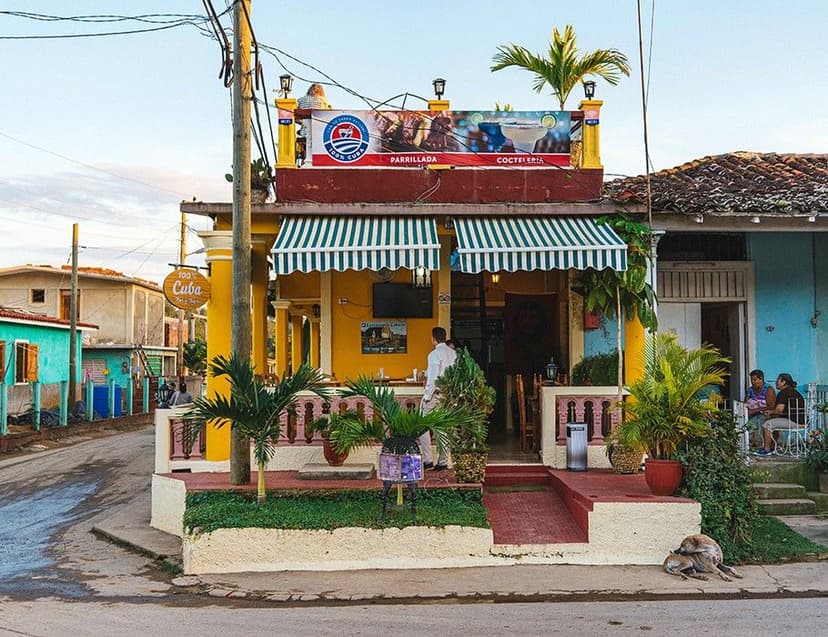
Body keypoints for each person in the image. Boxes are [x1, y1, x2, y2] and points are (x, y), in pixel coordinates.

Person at [418, 326, 457, 471]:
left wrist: (427, 396)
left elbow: (434, 378)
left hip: (435, 394)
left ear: (433, 339)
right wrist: (425, 372)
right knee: (443, 427)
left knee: (421, 425)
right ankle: (443, 461)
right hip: (448, 395)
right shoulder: (453, 353)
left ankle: (427, 459)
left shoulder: (434, 354)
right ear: (445, 337)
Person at [755, 373, 805, 456]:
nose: (776, 382)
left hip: (794, 422)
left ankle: (766, 450)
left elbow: (779, 410)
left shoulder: (784, 393)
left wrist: (769, 412)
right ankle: (772, 447)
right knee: (772, 422)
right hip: (801, 421)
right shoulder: (793, 391)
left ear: (783, 382)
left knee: (767, 425)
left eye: (778, 380)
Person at [744, 369, 775, 447]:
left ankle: (761, 445)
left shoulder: (768, 389)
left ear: (761, 379)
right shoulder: (750, 390)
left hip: (764, 414)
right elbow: (745, 403)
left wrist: (755, 410)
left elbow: (771, 406)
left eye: (755, 380)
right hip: (751, 414)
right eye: (751, 380)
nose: (753, 382)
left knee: (755, 425)